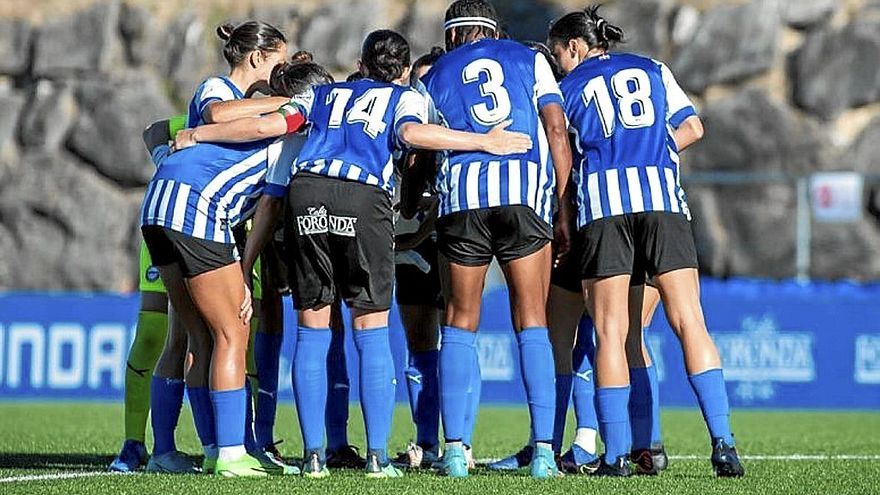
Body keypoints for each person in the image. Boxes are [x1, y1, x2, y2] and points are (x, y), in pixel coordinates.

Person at [178, 29, 533, 479]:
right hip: (363, 199)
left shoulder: (325, 93)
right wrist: (485, 141)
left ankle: (312, 458)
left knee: (311, 328)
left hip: (307, 194)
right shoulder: (404, 97)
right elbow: (412, 133)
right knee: (370, 328)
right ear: (404, 71)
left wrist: (199, 133)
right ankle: (377, 458)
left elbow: (273, 125)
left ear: (361, 64)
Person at [548, 6, 744, 477]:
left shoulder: (564, 89)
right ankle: (724, 445)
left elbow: (562, 152)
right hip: (663, 202)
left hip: (604, 209)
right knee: (690, 322)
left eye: (558, 55)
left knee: (613, 334)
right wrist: (653, 152)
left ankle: (617, 455)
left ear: (575, 46)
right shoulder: (653, 69)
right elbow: (692, 126)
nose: (557, 65)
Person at [140, 21, 305, 477]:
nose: (278, 73)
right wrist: (301, 106)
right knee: (233, 332)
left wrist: (175, 151)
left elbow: (166, 131)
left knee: (197, 336)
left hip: (160, 204)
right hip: (196, 209)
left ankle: (187, 450)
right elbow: (268, 204)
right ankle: (231, 452)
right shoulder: (281, 124)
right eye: (276, 61)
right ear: (256, 56)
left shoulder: (254, 118)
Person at [419, 0, 574, 479]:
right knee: (531, 321)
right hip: (524, 196)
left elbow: (421, 147)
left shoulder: (432, 75)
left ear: (453, 35)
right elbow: (555, 128)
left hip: (462, 201)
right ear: (491, 29)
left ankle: (454, 450)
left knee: (460, 321)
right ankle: (544, 452)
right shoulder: (530, 59)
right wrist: (562, 205)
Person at [108, 115, 186, 474]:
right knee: (152, 334)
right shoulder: (215, 104)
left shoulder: (259, 117)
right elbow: (153, 130)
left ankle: (241, 442)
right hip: (167, 221)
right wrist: (163, 158)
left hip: (222, 230)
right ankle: (133, 443)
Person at [391, 46, 447, 470]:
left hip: (445, 246)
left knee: (460, 337)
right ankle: (426, 442)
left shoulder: (451, 139)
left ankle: (461, 443)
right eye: (420, 83)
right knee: (419, 341)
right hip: (405, 251)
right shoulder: (401, 135)